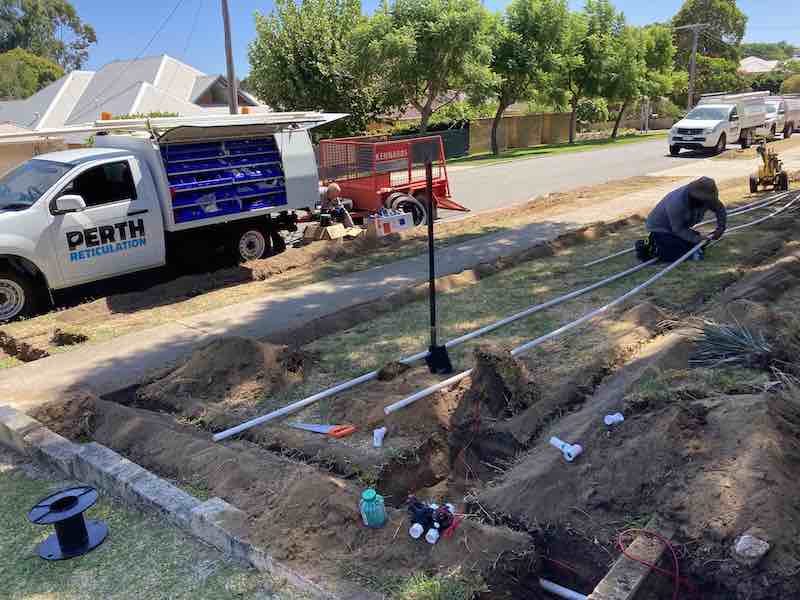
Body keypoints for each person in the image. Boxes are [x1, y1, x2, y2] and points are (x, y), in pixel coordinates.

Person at [638, 176, 727, 262]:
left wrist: (721, 227)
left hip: (678, 228)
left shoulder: (707, 198)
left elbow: (719, 208)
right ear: (694, 197)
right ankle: (650, 246)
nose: (707, 203)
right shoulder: (676, 203)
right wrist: (697, 239)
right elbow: (678, 229)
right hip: (661, 229)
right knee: (677, 248)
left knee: (699, 243)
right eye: (704, 200)